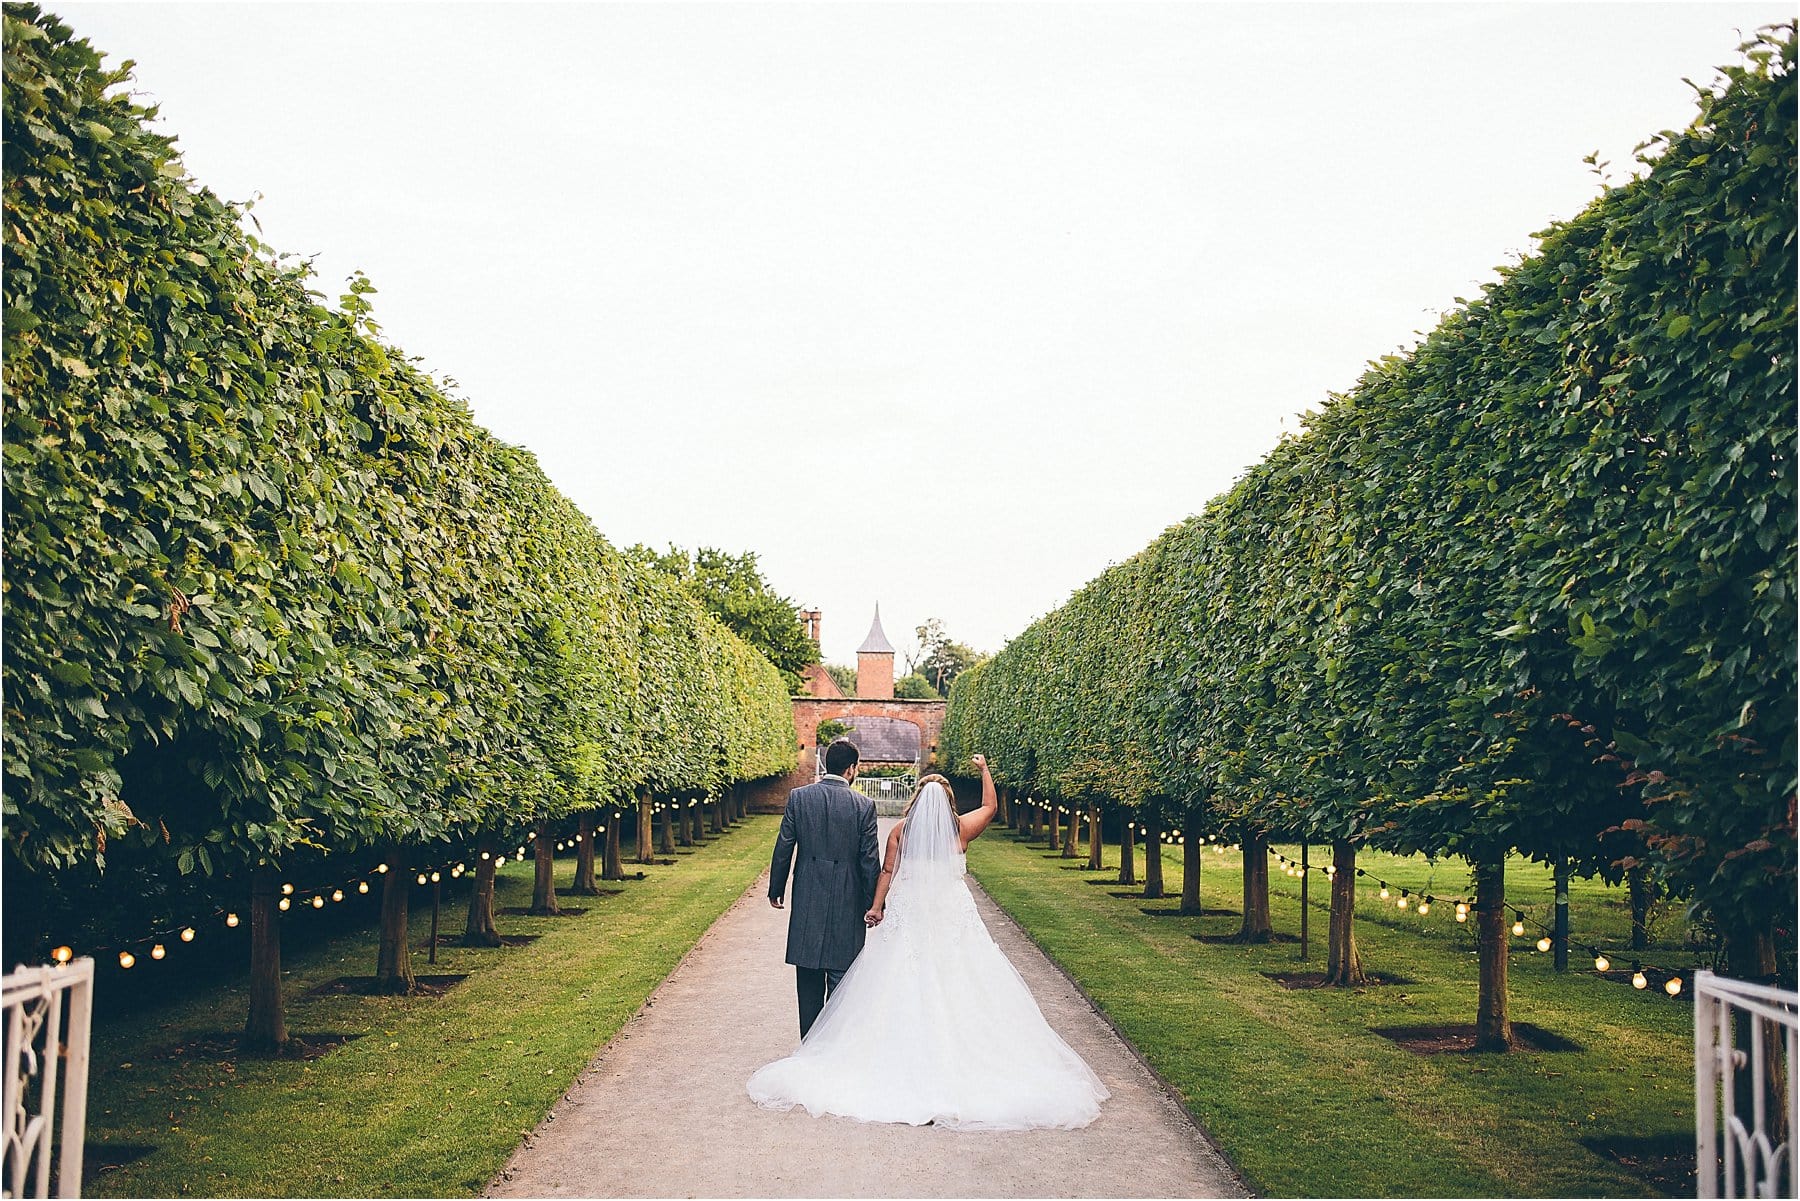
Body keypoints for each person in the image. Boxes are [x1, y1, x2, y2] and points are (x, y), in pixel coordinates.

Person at [747, 753, 1110, 1130]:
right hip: (952, 920)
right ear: (950, 802)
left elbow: (886, 869)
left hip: (908, 917)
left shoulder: (901, 830)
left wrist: (876, 907)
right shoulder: (961, 831)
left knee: (891, 984)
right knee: (963, 984)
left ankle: (822, 1047)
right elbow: (990, 805)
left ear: (916, 800)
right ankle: (957, 1060)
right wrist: (985, 770)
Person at [767, 737, 880, 1037]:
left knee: (808, 980)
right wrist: (874, 904)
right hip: (848, 901)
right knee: (843, 986)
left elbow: (784, 847)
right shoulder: (864, 806)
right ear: (852, 769)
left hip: (808, 899)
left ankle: (809, 1047)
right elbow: (869, 862)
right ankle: (833, 1052)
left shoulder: (799, 798)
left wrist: (775, 888)